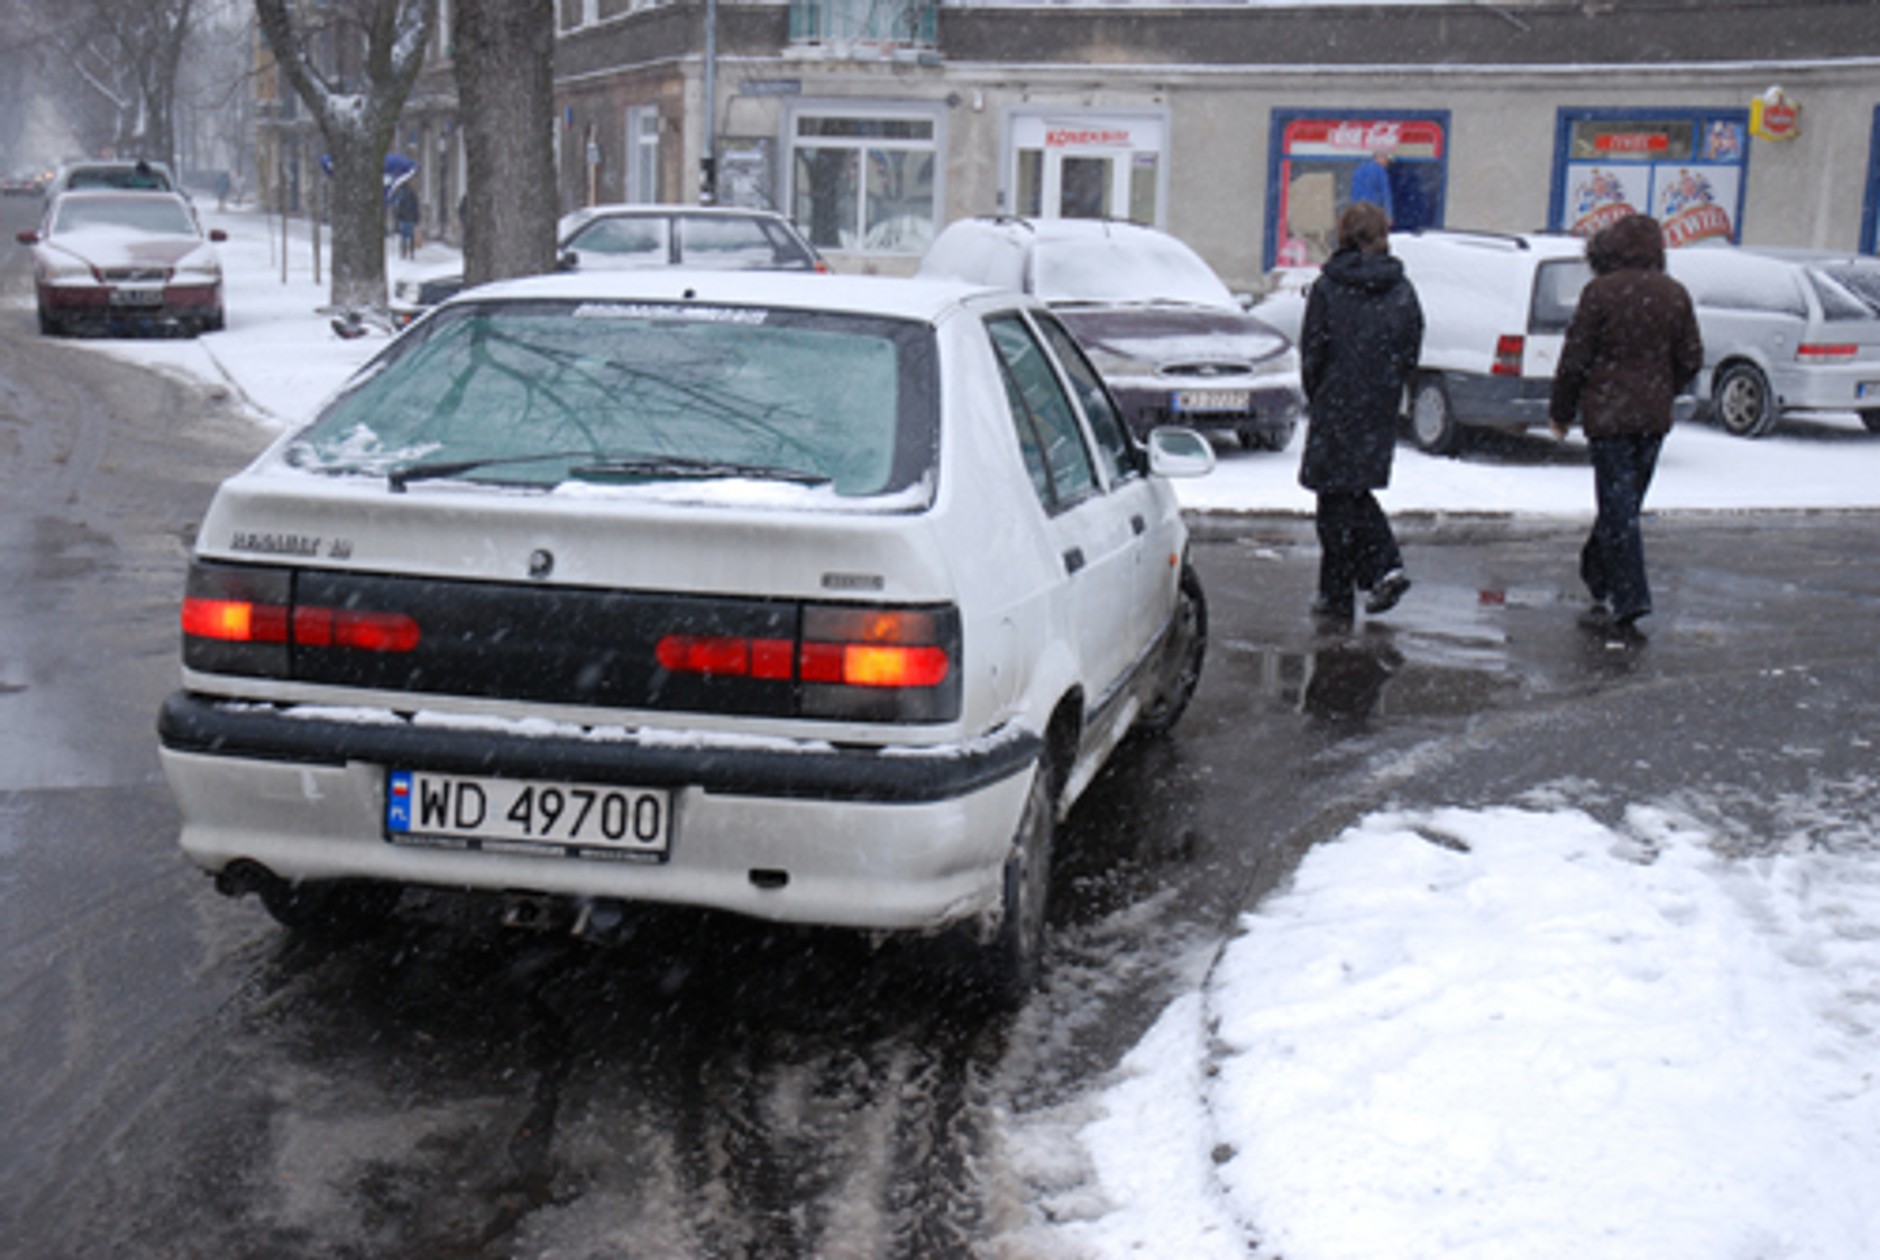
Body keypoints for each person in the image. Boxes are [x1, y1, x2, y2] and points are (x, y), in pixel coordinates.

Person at [1549, 212, 1703, 635]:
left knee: (1619, 504)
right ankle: (1600, 573)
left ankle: (1628, 594)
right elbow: (1691, 357)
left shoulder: (1600, 292)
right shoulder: (1674, 294)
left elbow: (1576, 358)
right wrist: (1663, 386)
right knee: (1626, 503)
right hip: (1652, 417)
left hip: (1609, 415)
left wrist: (1562, 410)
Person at [1298, 201, 1425, 625]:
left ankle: (1379, 569)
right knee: (1344, 496)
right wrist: (1387, 385)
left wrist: (1322, 393)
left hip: (1336, 402)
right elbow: (1411, 349)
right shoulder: (1402, 289)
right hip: (1377, 405)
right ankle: (1339, 591)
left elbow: (1312, 351)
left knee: (1340, 497)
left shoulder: (1329, 288)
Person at [1350, 139, 1396, 225]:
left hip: (1359, 212)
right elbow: (1385, 195)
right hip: (1373, 212)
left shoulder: (1358, 170)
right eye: (1387, 160)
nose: (1388, 163)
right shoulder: (1381, 172)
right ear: (1381, 158)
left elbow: (1353, 193)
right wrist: (1388, 216)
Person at [392, 178, 421, 260]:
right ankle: (411, 252)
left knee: (403, 236)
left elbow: (397, 207)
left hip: (403, 218)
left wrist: (397, 218)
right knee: (411, 236)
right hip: (410, 218)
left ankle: (403, 252)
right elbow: (416, 206)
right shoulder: (412, 194)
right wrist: (416, 218)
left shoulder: (400, 194)